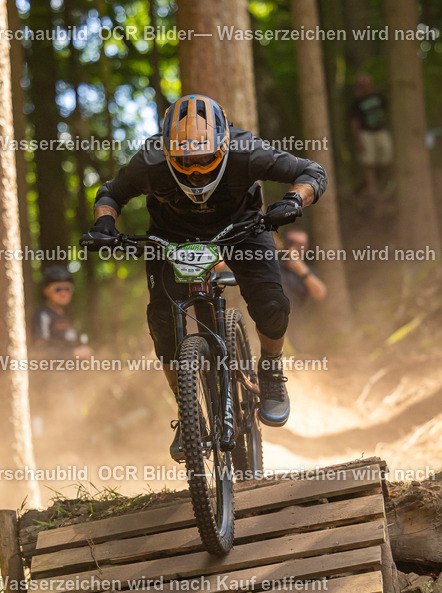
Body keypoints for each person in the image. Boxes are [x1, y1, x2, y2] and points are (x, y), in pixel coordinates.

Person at [88, 94, 327, 458]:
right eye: (185, 161)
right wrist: (105, 222)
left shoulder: (247, 151)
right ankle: (189, 412)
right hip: (171, 237)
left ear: (225, 144)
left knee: (271, 303)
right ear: (167, 152)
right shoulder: (150, 159)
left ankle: (271, 368)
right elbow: (111, 193)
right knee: (162, 323)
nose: (196, 169)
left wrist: (294, 200)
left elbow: (311, 172)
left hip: (243, 228)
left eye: (204, 158)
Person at [30, 265, 93, 359]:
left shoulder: (68, 316)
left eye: (67, 289)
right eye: (58, 289)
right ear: (46, 291)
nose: (63, 293)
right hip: (50, 372)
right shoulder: (43, 315)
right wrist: (74, 353)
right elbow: (40, 351)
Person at [349, 73, 392, 193]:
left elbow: (388, 109)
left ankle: (386, 183)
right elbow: (354, 122)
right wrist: (358, 140)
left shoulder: (379, 96)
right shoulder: (356, 102)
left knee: (387, 156)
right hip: (366, 133)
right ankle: (373, 189)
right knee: (368, 163)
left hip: (381, 130)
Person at [279, 228, 326, 313]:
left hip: (298, 320)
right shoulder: (274, 267)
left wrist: (303, 271)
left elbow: (320, 294)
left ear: (306, 247)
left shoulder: (309, 271)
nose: (294, 247)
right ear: (285, 244)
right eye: (291, 242)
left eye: (300, 245)